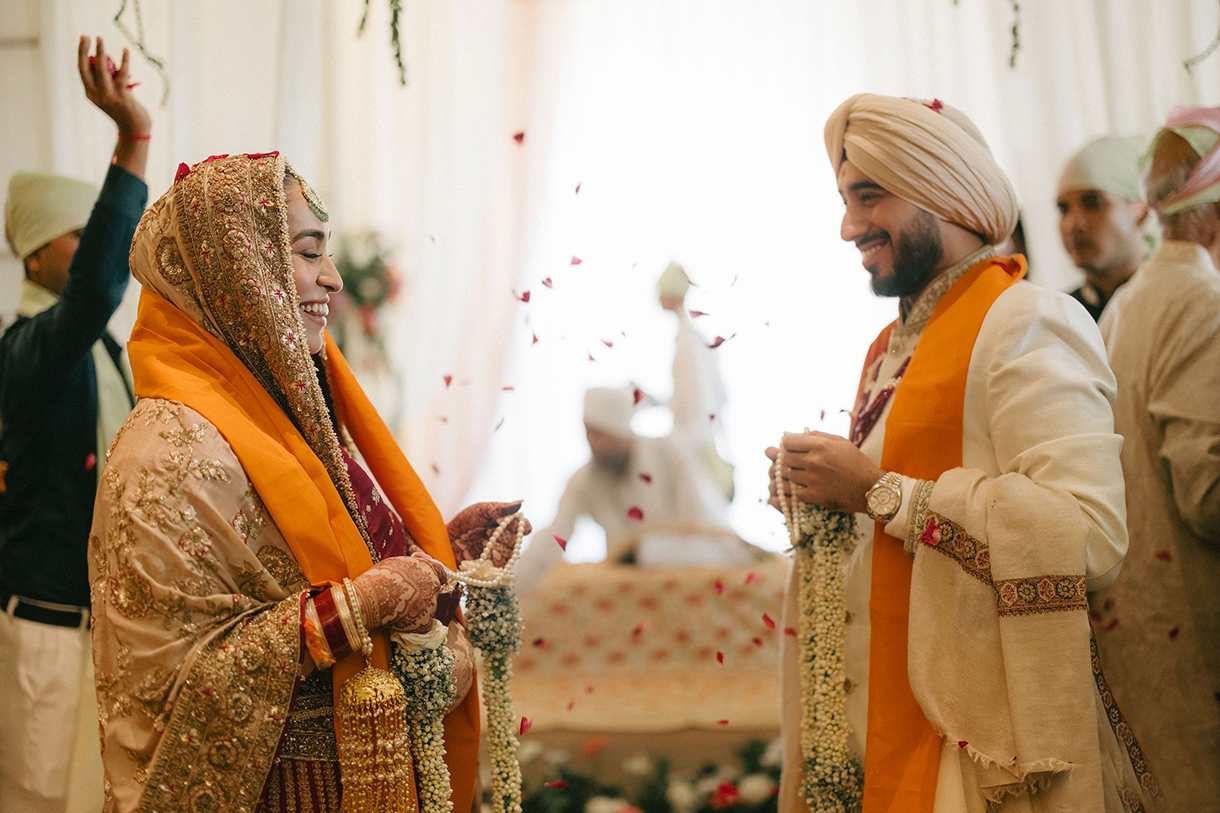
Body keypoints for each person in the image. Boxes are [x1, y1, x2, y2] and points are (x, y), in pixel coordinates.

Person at [90, 151, 524, 812]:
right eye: (309, 251)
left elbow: (348, 560)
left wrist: (447, 562)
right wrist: (363, 603)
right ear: (235, 266)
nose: (335, 277)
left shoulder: (294, 417)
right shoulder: (166, 451)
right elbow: (175, 686)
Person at [768, 94, 1156, 811]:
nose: (849, 225)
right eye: (845, 199)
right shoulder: (890, 349)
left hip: (976, 761)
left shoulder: (1026, 320)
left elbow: (1089, 535)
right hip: (877, 739)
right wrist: (822, 496)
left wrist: (879, 491)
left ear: (943, 193)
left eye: (869, 196)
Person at [0, 37, 149, 813]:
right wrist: (132, 140)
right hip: (47, 636)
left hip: (106, 631)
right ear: (32, 256)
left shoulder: (105, 351)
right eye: (77, 237)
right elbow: (96, 288)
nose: (95, 253)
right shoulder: (29, 350)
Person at [1091, 106, 1220, 811]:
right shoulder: (1203, 300)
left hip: (1139, 634)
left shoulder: (1129, 302)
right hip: (1194, 635)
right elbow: (1209, 494)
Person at [516, 386, 748, 596]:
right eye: (588, 432)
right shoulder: (585, 479)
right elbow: (553, 540)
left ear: (619, 431)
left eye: (599, 433)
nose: (591, 442)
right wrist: (507, 588)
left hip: (687, 577)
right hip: (630, 595)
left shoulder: (669, 452)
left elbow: (705, 526)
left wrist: (648, 551)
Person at [658, 261, 734, 500]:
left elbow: (690, 401)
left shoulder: (689, 342)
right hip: (699, 440)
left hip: (695, 446)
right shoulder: (692, 339)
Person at [1056, 136, 1151, 320]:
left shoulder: (1175, 302)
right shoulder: (1060, 317)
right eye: (1063, 209)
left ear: (1140, 212)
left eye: (1094, 203)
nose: (1073, 224)